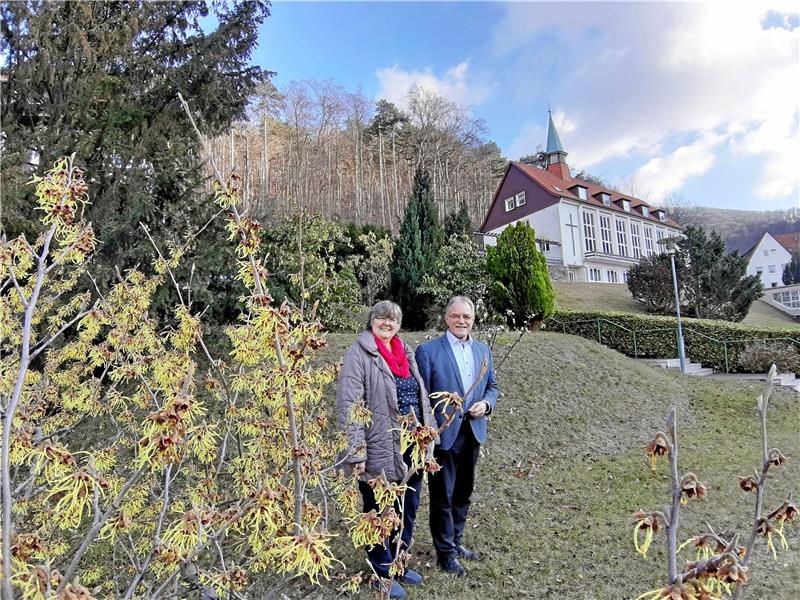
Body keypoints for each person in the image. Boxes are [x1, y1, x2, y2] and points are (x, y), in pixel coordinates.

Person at [336, 300, 435, 599]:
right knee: (378, 510)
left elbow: (421, 397)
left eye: (393, 320)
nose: (387, 324)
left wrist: (429, 438)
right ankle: (380, 571)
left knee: (409, 506)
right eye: (381, 318)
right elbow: (349, 405)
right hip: (379, 445)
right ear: (372, 321)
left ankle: (398, 562)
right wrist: (356, 452)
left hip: (411, 445)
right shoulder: (359, 353)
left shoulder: (405, 352)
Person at [415, 296, 499, 576]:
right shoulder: (427, 352)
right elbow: (423, 397)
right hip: (443, 435)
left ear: (473, 320)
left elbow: (492, 387)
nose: (462, 321)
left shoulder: (483, 350)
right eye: (456, 316)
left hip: (473, 431)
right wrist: (428, 433)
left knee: (463, 492)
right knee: (442, 495)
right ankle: (445, 554)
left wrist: (486, 405)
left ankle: (457, 542)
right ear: (446, 318)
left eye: (467, 317)